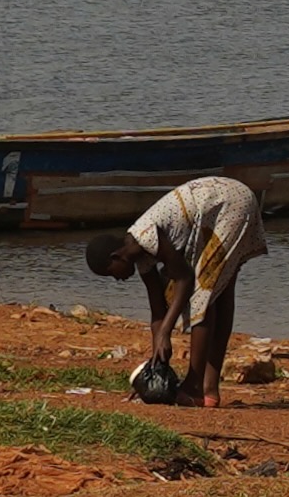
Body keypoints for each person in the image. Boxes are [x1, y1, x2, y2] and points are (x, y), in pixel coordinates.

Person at [87, 174, 269, 408]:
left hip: (228, 202)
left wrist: (165, 332)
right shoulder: (142, 259)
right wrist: (156, 369)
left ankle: (195, 387)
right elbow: (157, 310)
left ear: (116, 257)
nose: (118, 279)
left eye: (113, 273)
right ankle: (209, 391)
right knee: (218, 291)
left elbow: (184, 278)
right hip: (216, 206)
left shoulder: (145, 237)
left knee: (202, 295)